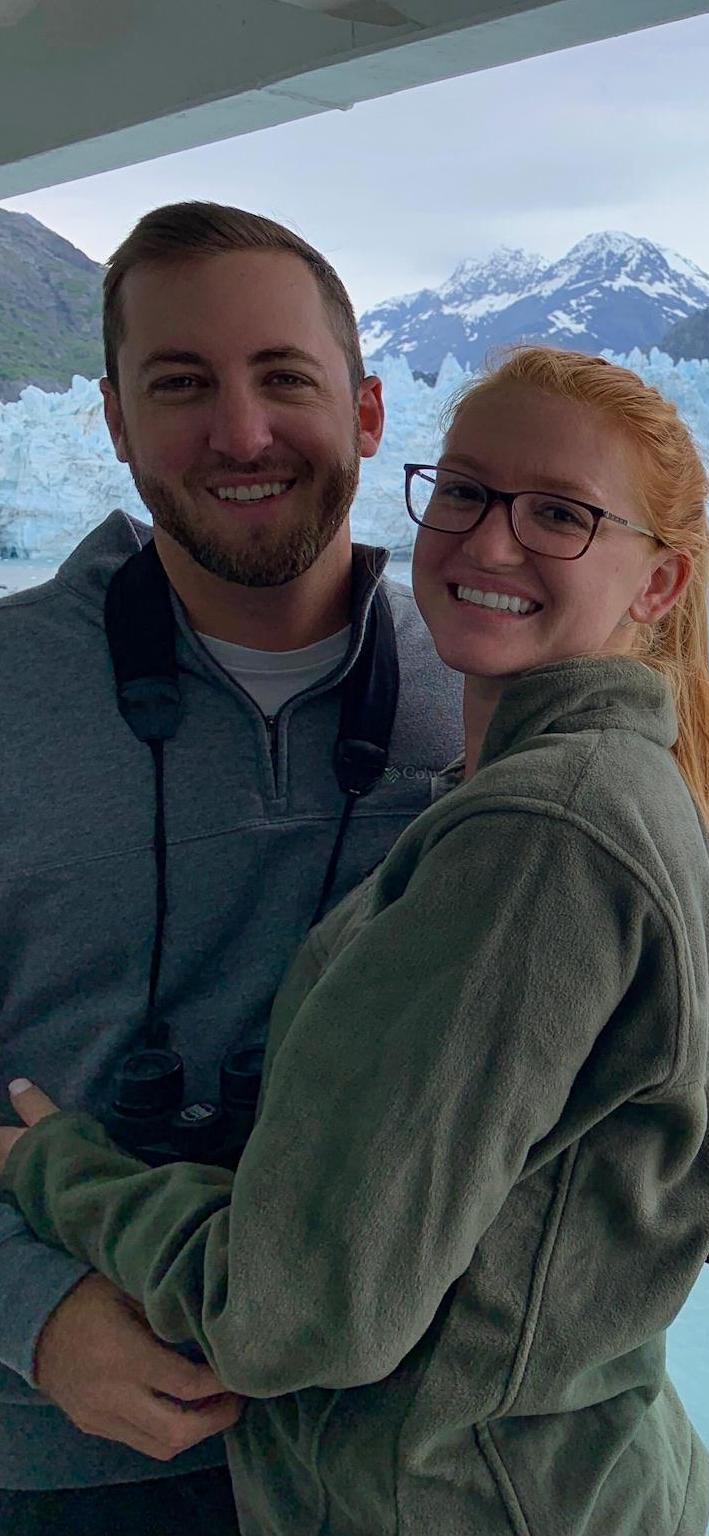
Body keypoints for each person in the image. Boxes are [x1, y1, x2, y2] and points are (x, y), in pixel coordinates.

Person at [1, 345, 709, 1535]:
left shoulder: (539, 832)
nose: (490, 542)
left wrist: (51, 1170)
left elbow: (298, 1314)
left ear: (657, 585)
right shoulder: (571, 785)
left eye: (560, 515)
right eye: (464, 492)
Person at [0, 203, 461, 1534]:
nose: (243, 433)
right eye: (182, 384)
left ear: (367, 409)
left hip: (387, 1448)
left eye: (284, 378)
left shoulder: (472, 692)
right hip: (66, 1465)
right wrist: (38, 1318)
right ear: (114, 420)